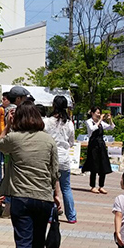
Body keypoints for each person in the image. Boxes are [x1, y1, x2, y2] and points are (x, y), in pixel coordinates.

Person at [0, 102, 62, 248]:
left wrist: (7, 125)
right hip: (44, 197)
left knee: (23, 238)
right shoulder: (48, 140)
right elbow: (54, 171)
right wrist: (57, 195)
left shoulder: (14, 138)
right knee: (38, 236)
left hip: (21, 197)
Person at [44, 95, 78, 224]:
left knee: (50, 187)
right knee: (66, 188)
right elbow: (71, 142)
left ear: (53, 105)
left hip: (50, 157)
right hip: (64, 158)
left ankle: (51, 215)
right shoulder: (69, 123)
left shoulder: (47, 121)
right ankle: (71, 216)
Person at [81, 106, 115, 194]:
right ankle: (93, 186)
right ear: (92, 113)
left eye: (99, 113)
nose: (99, 114)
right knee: (94, 166)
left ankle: (101, 186)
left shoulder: (101, 123)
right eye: (97, 113)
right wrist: (100, 120)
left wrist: (110, 119)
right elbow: (92, 129)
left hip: (101, 145)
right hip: (93, 145)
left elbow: (111, 127)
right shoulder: (89, 122)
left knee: (103, 165)